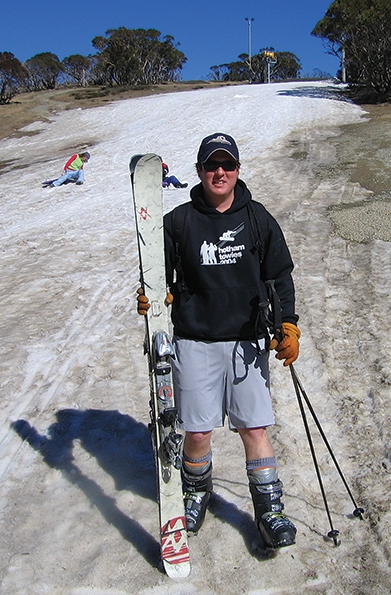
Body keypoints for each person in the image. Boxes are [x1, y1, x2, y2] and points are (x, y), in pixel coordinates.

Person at [137, 133, 301, 549]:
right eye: (212, 165)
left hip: (247, 342)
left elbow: (279, 276)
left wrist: (290, 325)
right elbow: (155, 272)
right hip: (194, 341)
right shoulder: (178, 222)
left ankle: (269, 510)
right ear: (199, 172)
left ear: (238, 170)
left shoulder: (258, 219)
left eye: (227, 164)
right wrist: (153, 298)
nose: (220, 172)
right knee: (197, 430)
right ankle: (195, 493)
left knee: (255, 427)